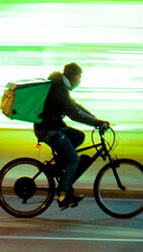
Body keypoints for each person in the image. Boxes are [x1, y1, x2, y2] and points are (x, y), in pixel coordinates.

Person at [34, 62, 109, 209]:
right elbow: (74, 114)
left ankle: (59, 166)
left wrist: (96, 120)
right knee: (74, 159)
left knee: (78, 137)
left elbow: (76, 106)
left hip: (54, 127)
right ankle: (63, 195)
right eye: (79, 78)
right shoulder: (60, 90)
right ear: (73, 77)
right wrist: (95, 123)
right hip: (49, 130)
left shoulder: (60, 87)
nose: (79, 81)